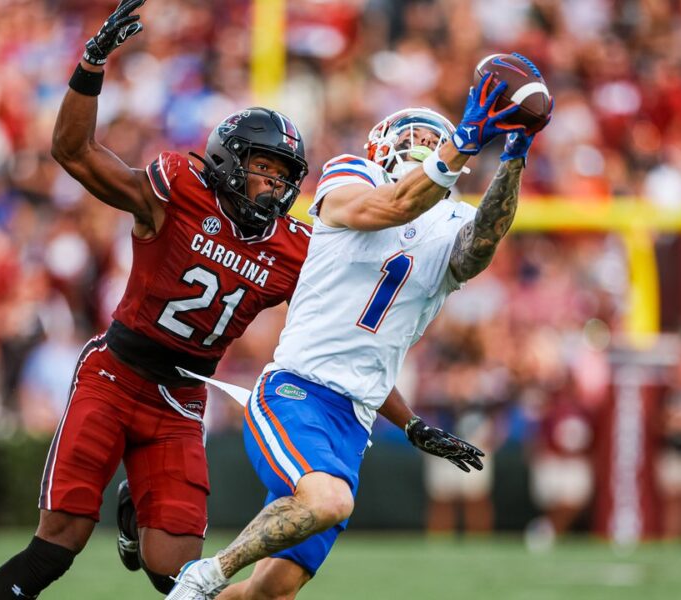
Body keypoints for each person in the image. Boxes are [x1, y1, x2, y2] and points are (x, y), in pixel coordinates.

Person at [0, 3, 480, 598]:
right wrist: (91, 65)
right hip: (114, 374)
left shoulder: (295, 246)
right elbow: (74, 152)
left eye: (284, 174)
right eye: (263, 169)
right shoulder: (177, 192)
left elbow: (342, 338)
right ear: (227, 160)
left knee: (177, 577)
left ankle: (135, 515)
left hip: (182, 397)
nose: (275, 185)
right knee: (57, 544)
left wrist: (411, 421)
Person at [165, 58, 550, 599]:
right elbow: (388, 206)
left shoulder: (452, 220)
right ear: (384, 144)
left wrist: (513, 155)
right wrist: (461, 138)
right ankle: (204, 575)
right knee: (329, 501)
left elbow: (479, 247)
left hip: (356, 420)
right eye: (413, 135)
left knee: (268, 594)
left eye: (432, 138)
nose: (421, 143)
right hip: (296, 392)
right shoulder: (353, 175)